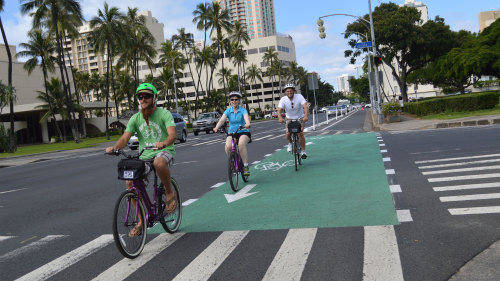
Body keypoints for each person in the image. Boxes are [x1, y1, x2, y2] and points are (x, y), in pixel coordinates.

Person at [105, 83, 177, 237]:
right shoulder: (136, 118)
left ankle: (170, 192)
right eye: (140, 96)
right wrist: (115, 148)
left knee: (158, 163)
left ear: (154, 97)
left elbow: (172, 134)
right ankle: (141, 221)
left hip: (164, 151)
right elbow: (125, 137)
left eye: (147, 96)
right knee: (130, 183)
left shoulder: (164, 114)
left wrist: (164, 143)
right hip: (144, 156)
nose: (143, 99)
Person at [213, 91, 252, 176]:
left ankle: (245, 166)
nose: (234, 101)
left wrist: (247, 124)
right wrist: (216, 127)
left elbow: (246, 118)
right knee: (228, 147)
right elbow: (222, 120)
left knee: (241, 144)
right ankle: (233, 161)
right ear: (230, 101)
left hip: (243, 131)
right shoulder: (228, 111)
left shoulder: (243, 110)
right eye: (232, 99)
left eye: (236, 99)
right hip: (232, 132)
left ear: (239, 100)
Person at [277, 83, 309, 159]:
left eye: (291, 91)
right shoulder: (283, 99)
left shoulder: (299, 97)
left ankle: (303, 151)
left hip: (300, 118)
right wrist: (280, 118)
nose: (289, 92)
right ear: (285, 92)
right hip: (289, 118)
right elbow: (279, 110)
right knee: (288, 133)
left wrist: (306, 116)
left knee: (300, 133)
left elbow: (305, 107)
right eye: (287, 91)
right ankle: (290, 143)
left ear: (294, 91)